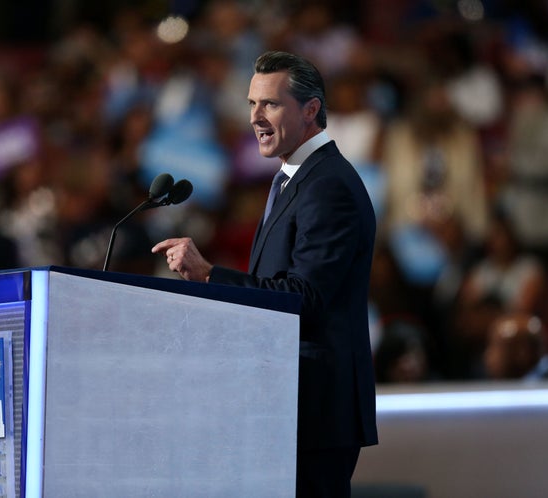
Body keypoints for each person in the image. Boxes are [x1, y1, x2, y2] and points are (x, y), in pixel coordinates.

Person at [152, 50, 378, 497]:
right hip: (285, 402)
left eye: (270, 104)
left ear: (310, 110)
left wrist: (212, 275)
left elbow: (305, 299)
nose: (255, 117)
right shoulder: (292, 179)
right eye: (251, 104)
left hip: (314, 412)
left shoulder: (328, 186)